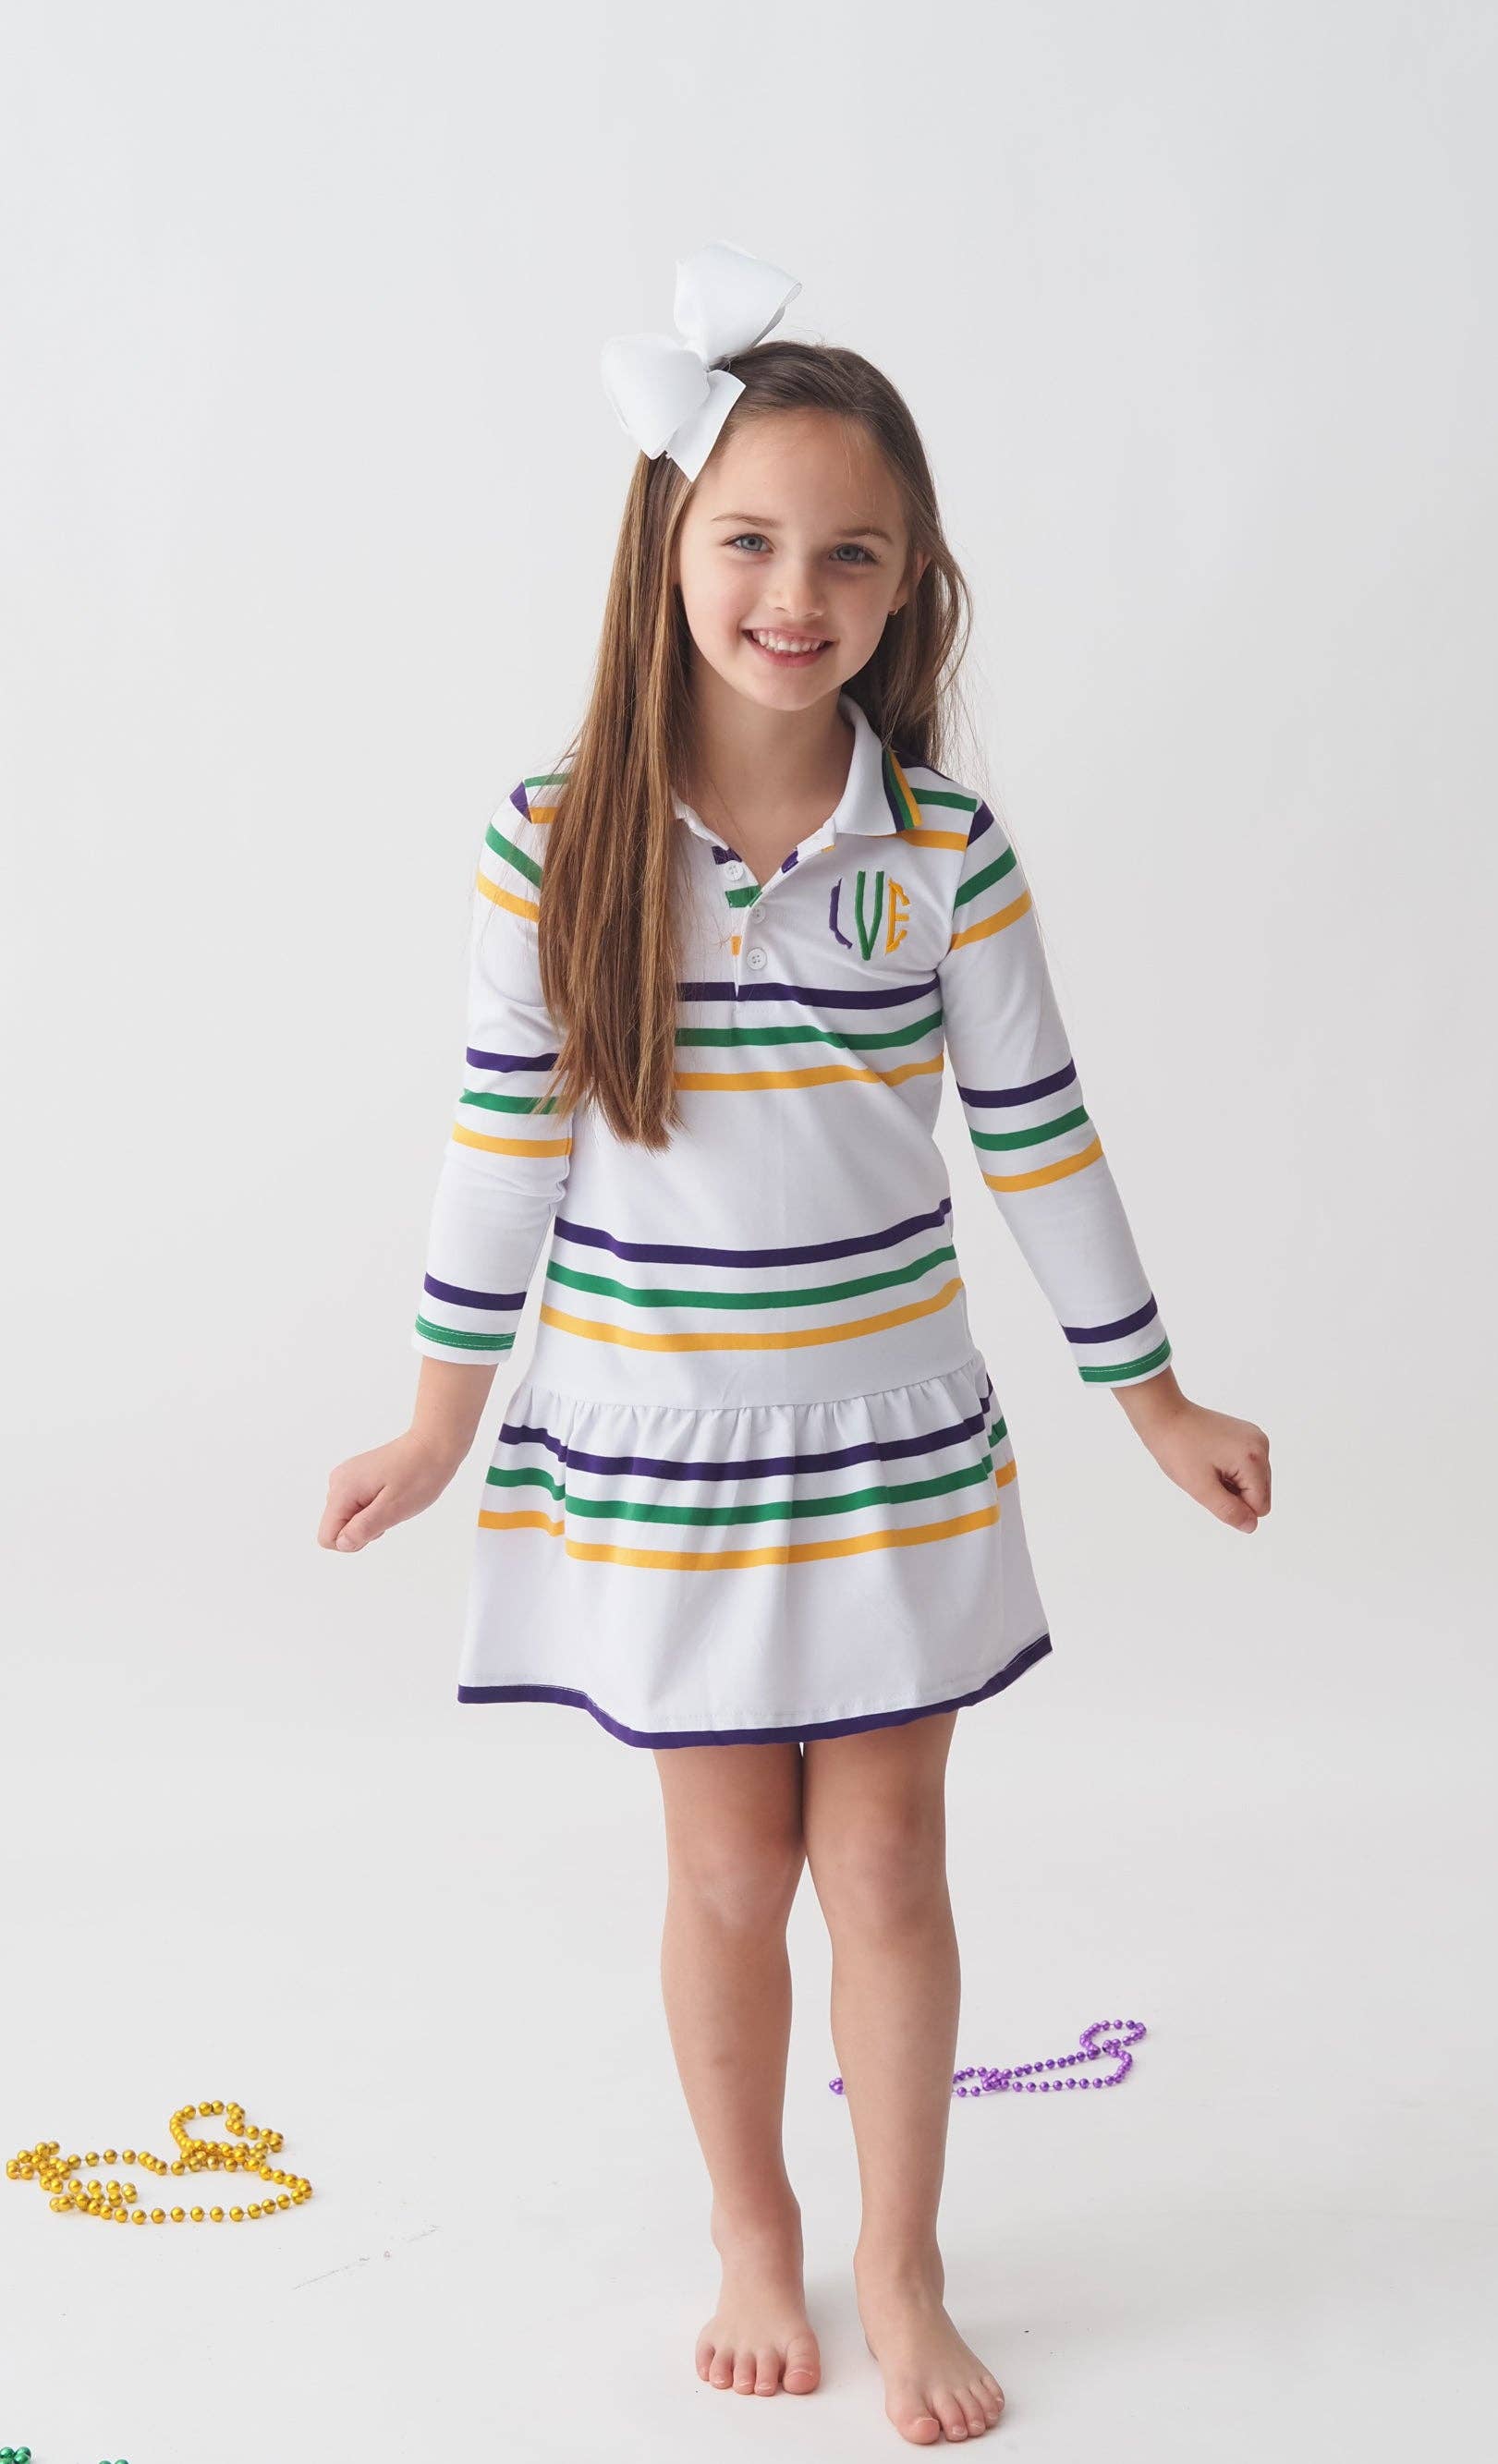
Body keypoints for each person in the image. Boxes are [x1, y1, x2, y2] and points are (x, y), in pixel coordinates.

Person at [319, 242, 1273, 2446]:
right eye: (748, 540)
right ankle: (753, 2227)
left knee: (892, 1866)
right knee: (728, 1871)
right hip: (659, 1448)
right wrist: (437, 1420)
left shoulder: (941, 852)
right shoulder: (556, 844)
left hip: (886, 1443)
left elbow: (1039, 1142)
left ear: (911, 580)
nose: (794, 591)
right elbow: (497, 1155)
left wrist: (1153, 1400)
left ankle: (903, 2257)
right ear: (666, 550)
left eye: (852, 552)